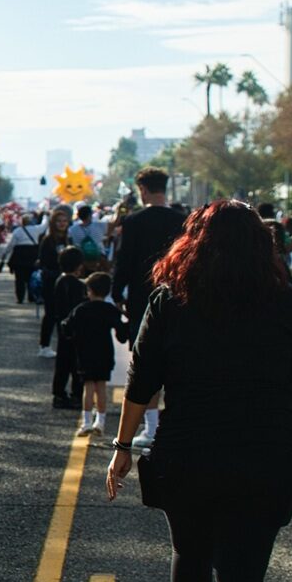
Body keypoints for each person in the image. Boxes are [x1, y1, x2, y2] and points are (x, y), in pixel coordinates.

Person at [105, 200, 292, 582]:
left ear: (193, 244)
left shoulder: (171, 301)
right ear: (263, 245)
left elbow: (141, 382)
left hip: (186, 452)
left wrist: (123, 446)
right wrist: (273, 414)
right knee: (244, 576)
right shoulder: (289, 304)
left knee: (190, 553)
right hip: (264, 456)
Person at [111, 169, 186, 444]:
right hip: (179, 295)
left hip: (143, 297)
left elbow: (125, 261)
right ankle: (176, 421)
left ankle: (151, 427)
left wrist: (117, 291)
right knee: (177, 358)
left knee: (145, 361)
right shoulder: (182, 220)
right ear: (165, 187)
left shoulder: (133, 222)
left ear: (142, 189)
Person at [62, 272, 127, 436]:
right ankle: (101, 421)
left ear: (89, 290)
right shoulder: (110, 310)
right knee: (101, 387)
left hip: (86, 353)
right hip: (105, 353)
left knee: (89, 387)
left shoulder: (81, 309)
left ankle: (86, 422)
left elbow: (66, 327)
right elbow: (121, 334)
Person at [49, 247, 88, 410]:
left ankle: (58, 394)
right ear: (79, 266)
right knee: (76, 363)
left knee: (62, 363)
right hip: (76, 329)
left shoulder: (60, 281)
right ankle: (77, 394)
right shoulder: (78, 285)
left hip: (62, 326)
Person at [36, 206, 74, 356]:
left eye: (64, 221)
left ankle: (63, 345)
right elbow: (44, 262)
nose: (62, 223)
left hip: (65, 281)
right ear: (53, 223)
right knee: (51, 314)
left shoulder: (67, 239)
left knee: (64, 314)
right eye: (58, 221)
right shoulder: (47, 240)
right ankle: (44, 345)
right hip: (51, 281)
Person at [5, 210, 42, 304]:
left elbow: (11, 244)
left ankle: (20, 298)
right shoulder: (36, 229)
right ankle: (31, 296)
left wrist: (5, 253)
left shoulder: (17, 231)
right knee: (31, 277)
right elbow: (45, 225)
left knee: (19, 279)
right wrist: (46, 215)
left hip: (19, 256)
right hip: (32, 255)